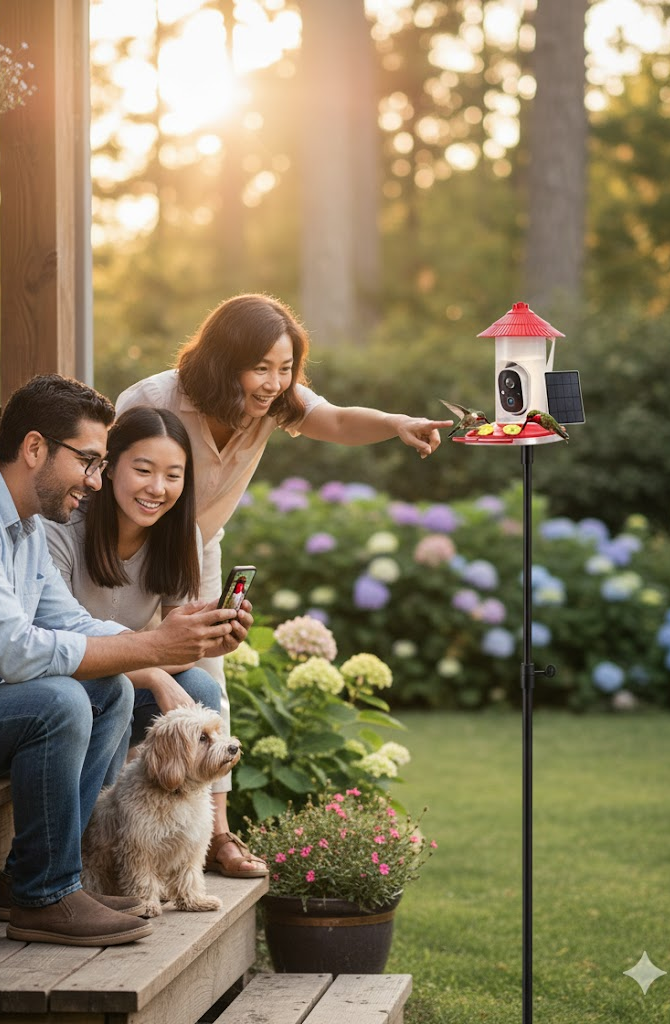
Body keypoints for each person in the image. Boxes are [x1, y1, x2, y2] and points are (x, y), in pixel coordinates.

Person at [0, 374, 251, 947]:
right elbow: (16, 651)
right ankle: (46, 895)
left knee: (104, 687)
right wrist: (153, 647)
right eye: (88, 460)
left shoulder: (24, 526)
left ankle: (38, 880)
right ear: (35, 448)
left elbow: (74, 624)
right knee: (57, 699)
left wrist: (163, 657)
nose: (94, 480)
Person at [115, 292, 452, 877]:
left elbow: (339, 420)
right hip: (130, 543)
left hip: (196, 551)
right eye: (261, 367)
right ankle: (118, 836)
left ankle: (215, 835)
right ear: (225, 361)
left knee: (207, 683)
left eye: (286, 367)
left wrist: (399, 423)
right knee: (118, 664)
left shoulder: (274, 402)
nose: (275, 382)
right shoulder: (151, 400)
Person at [43, 406, 223, 749]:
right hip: (61, 686)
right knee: (117, 692)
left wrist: (210, 637)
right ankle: (106, 803)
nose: (157, 488)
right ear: (108, 468)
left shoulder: (181, 536)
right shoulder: (62, 529)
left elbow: (181, 648)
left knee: (200, 687)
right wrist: (152, 675)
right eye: (143, 470)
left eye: (173, 476)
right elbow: (56, 653)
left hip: (118, 682)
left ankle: (177, 803)